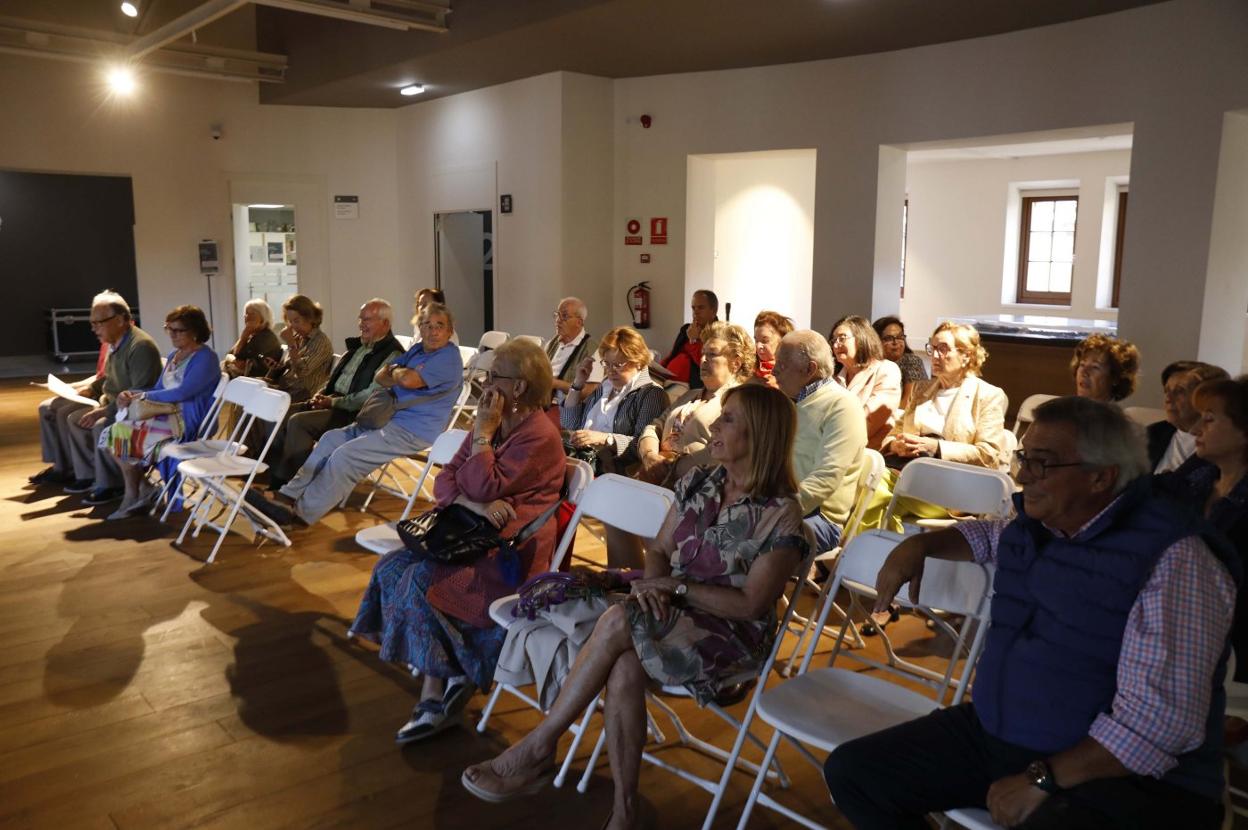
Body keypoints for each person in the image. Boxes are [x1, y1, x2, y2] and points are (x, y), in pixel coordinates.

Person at [825, 397, 1237, 830]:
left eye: (1042, 463)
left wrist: (1043, 779)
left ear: (1101, 476)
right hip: (1006, 733)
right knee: (855, 774)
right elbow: (989, 535)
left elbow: (1160, 726)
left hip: (1123, 775)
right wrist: (921, 545)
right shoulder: (1048, 523)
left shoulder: (1175, 559)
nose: (1022, 476)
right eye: (1024, 457)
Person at [461, 384, 811, 830]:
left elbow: (751, 603)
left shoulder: (781, 514)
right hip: (671, 609)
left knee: (620, 618)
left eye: (729, 419)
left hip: (731, 636)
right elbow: (662, 550)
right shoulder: (700, 481)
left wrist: (672, 589)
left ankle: (540, 745)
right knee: (624, 663)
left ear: (759, 434)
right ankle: (624, 814)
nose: (715, 426)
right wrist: (655, 587)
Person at [349, 339, 565, 742]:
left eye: (493, 375)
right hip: (472, 533)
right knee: (392, 565)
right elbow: (445, 480)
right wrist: (474, 502)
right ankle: (448, 673)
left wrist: (481, 439)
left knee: (420, 581)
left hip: (507, 555)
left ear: (518, 387)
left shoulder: (539, 435)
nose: (484, 384)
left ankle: (436, 694)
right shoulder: (495, 420)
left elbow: (483, 482)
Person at [248, 303, 463, 527]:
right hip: (385, 419)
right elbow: (381, 376)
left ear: (450, 330)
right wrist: (400, 373)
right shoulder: (418, 350)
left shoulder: (447, 357)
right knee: (330, 439)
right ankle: (287, 496)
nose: (433, 331)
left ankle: (298, 515)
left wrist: (398, 372)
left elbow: (407, 380)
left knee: (345, 456)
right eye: (427, 325)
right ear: (420, 327)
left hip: (411, 431)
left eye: (440, 326)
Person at [31, 290, 162, 505]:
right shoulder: (116, 342)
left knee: (99, 424)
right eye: (92, 323)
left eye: (98, 323)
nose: (93, 328)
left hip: (136, 408)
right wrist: (92, 388)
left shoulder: (140, 346)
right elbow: (109, 377)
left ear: (120, 320)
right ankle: (88, 475)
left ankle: (113, 484)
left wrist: (105, 410)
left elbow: (140, 391)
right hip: (114, 402)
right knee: (73, 417)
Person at [1159, 376, 1248, 681]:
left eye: (1209, 420)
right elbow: (1150, 496)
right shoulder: (1201, 472)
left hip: (1230, 641)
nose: (1196, 429)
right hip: (1183, 623)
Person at [266, 299, 404, 491]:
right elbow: (333, 379)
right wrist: (321, 394)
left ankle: (287, 485)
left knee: (298, 422)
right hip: (333, 402)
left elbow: (370, 396)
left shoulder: (393, 355)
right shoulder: (359, 347)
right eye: (360, 319)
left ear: (385, 324)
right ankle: (272, 474)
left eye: (368, 320)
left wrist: (333, 402)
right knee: (279, 413)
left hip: (355, 413)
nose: (361, 324)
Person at [103, 306, 220, 519]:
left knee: (125, 435)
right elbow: (158, 389)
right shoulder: (176, 355)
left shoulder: (206, 358)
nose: (172, 335)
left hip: (188, 420)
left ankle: (134, 495)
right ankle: (143, 489)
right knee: (116, 433)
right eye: (169, 329)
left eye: (179, 330)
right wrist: (130, 393)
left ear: (194, 331)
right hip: (167, 415)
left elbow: (184, 392)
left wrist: (145, 397)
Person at [772, 330, 867, 553]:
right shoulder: (789, 402)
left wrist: (775, 510)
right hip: (779, 504)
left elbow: (826, 477)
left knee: (751, 540)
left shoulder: (842, 405)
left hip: (818, 517)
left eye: (782, 365)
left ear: (810, 369)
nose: (774, 370)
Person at [637, 321, 754, 488]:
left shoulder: (741, 402)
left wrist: (670, 468)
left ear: (736, 362)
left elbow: (725, 450)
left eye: (712, 354)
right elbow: (654, 427)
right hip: (659, 479)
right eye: (702, 353)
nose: (703, 359)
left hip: (700, 488)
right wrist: (649, 455)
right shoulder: (690, 395)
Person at [885, 322, 1007, 470]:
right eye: (933, 348)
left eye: (943, 349)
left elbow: (988, 455)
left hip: (953, 474)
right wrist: (895, 445)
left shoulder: (987, 395)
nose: (935, 356)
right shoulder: (920, 389)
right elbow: (895, 433)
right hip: (907, 467)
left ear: (966, 356)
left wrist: (936, 447)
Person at [561, 326, 668, 482]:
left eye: (618, 365)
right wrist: (578, 383)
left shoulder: (651, 394)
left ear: (638, 362)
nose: (611, 371)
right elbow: (570, 423)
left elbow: (641, 444)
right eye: (607, 364)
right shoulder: (606, 386)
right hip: (585, 464)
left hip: (614, 474)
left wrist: (605, 439)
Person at [831, 315, 902, 451]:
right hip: (835, 449)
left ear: (861, 338)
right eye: (834, 340)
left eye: (842, 338)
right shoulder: (834, 379)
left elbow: (870, 420)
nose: (835, 345)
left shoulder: (886, 369)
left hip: (870, 455)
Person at [1149, 361, 1229, 473]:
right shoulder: (1151, 434)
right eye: (1166, 391)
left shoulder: (1222, 445)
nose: (1168, 398)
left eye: (1180, 391)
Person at [263, 294, 333, 405]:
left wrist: (291, 344)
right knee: (249, 387)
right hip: (286, 388)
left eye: (296, 321)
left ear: (310, 318)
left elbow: (302, 371)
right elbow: (291, 368)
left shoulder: (320, 341)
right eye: (290, 322)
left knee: (255, 397)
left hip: (301, 395)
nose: (293, 326)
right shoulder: (300, 338)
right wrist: (277, 368)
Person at [661, 289, 719, 389]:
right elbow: (673, 354)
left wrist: (694, 341)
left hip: (693, 387)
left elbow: (707, 364)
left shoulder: (719, 333)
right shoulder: (686, 329)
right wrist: (658, 369)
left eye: (701, 308)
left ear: (713, 311)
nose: (695, 312)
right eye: (693, 308)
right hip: (668, 381)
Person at [545, 296, 600, 400]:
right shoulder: (552, 343)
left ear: (579, 322)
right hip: (544, 402)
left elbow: (589, 392)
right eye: (557, 315)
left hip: (566, 408)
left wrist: (556, 384)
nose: (558, 320)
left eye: (564, 316)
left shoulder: (592, 349)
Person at [873, 315, 927, 408]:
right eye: (889, 338)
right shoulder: (872, 363)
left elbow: (909, 402)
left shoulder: (911, 361)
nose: (896, 342)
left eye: (900, 337)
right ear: (876, 340)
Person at [1071, 333, 1140, 404]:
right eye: (1082, 365)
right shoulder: (1068, 410)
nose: (1084, 372)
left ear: (1115, 378)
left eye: (1095, 367)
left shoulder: (1113, 414)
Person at [223, 299, 282, 378]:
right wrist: (244, 336)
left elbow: (238, 358)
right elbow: (230, 354)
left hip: (258, 381)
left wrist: (244, 335)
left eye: (252, 313)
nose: (248, 317)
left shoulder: (266, 337)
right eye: (246, 314)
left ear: (263, 317)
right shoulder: (254, 335)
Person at [754, 310, 794, 388]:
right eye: (756, 340)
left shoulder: (794, 373)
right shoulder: (749, 371)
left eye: (765, 340)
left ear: (783, 339)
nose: (758, 346)